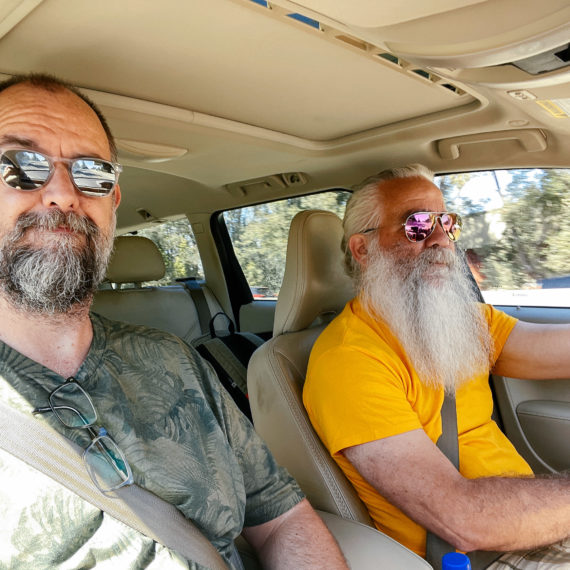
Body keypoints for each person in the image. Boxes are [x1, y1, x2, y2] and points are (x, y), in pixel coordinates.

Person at [0, 73, 348, 569]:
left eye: (91, 172)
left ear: (113, 202)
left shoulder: (173, 358)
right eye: (20, 165)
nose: (62, 194)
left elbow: (282, 517)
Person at [304, 164, 570, 568]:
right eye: (418, 225)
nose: (442, 241)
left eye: (447, 223)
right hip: (484, 557)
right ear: (362, 250)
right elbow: (461, 518)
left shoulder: (465, 321)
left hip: (535, 527)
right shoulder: (348, 360)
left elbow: (556, 349)